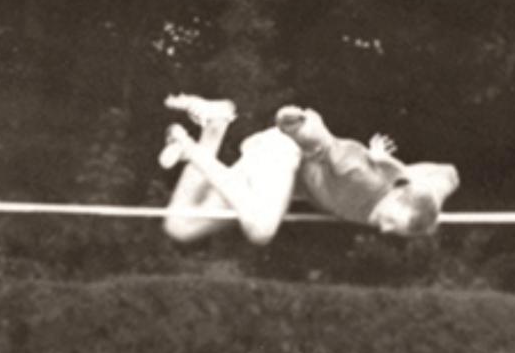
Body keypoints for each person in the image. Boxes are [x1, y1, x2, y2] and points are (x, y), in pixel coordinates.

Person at [159, 94, 461, 244]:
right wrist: (295, 121)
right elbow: (318, 137)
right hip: (280, 152)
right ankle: (190, 149)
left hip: (282, 176)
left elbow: (449, 174)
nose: (383, 229)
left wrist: (422, 197)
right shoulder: (360, 174)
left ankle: (214, 126)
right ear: (396, 199)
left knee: (180, 226)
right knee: (261, 229)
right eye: (392, 222)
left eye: (394, 230)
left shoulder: (396, 195)